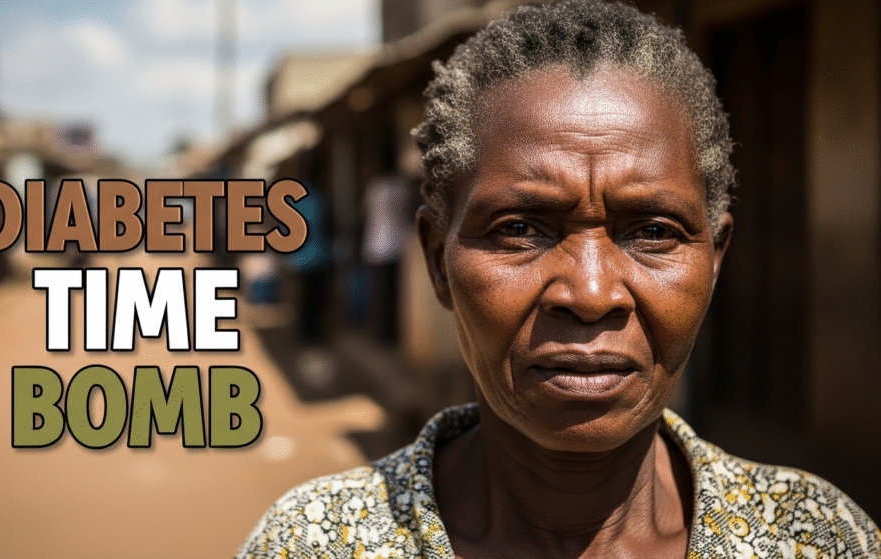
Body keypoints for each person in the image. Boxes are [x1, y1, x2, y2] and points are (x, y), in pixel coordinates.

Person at [235, 1, 881, 557]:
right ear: (437, 259)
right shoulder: (314, 541)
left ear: (714, 258)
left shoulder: (815, 537)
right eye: (521, 228)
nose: (591, 292)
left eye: (652, 231)